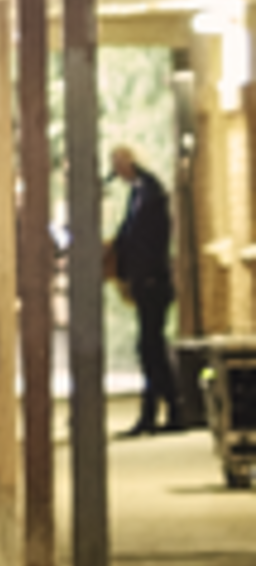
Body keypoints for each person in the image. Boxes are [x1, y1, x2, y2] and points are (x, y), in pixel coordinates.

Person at [109, 143, 184, 436]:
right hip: (145, 281)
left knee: (151, 347)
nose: (115, 172)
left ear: (129, 162)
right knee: (149, 348)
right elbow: (128, 234)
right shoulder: (140, 192)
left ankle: (170, 409)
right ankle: (153, 412)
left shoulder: (151, 193)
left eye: (117, 165)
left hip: (153, 282)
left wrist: (141, 270)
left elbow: (147, 238)